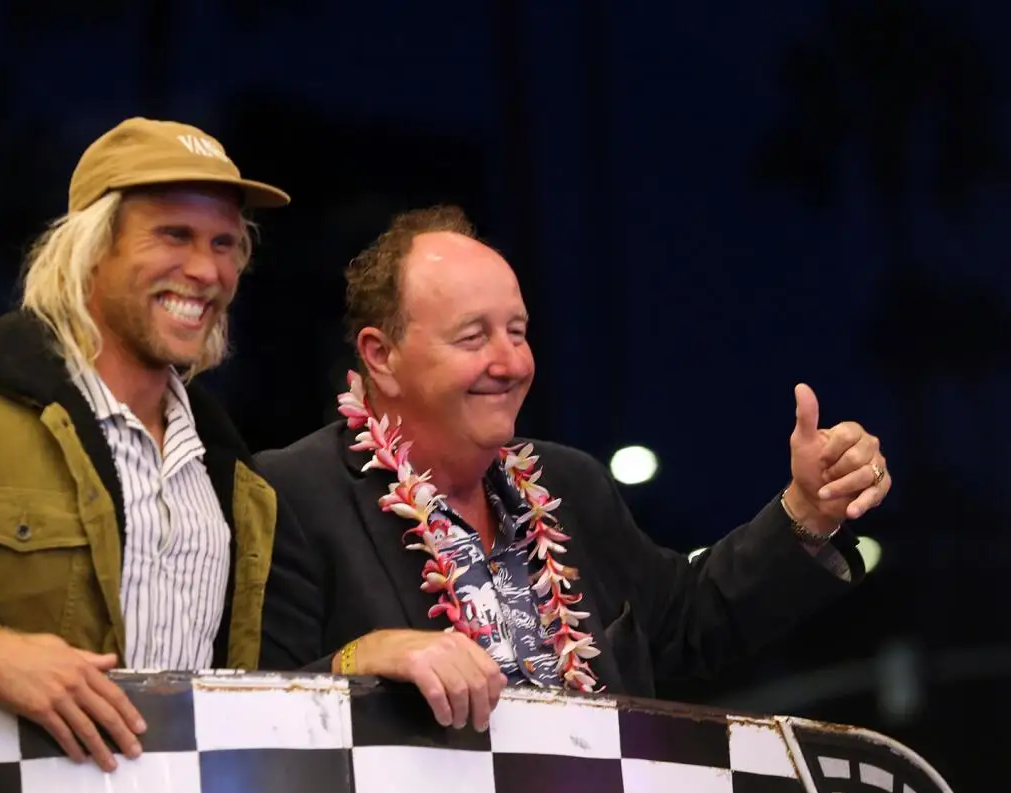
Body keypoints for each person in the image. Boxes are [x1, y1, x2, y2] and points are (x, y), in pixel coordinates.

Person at [256, 205, 891, 733]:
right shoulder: (293, 495)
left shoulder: (569, 486)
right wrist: (359, 657)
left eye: (517, 330)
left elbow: (692, 622)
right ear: (381, 355)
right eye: (473, 337)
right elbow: (248, 715)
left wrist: (808, 511)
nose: (510, 363)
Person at [0, 116, 291, 772]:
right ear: (92, 248)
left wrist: (360, 660)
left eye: (226, 243)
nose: (206, 269)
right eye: (173, 235)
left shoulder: (235, 478)